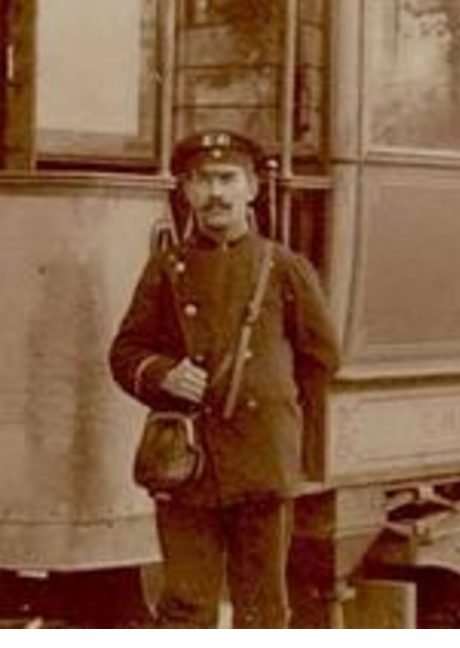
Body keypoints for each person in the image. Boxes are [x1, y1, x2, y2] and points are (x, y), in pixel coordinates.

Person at [108, 130, 340, 628]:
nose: (215, 193)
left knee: (262, 607)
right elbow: (124, 352)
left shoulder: (283, 268)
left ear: (252, 188)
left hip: (261, 461)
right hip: (187, 464)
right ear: (187, 191)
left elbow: (321, 358)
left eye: (227, 179)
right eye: (202, 181)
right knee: (185, 606)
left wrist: (286, 424)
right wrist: (163, 375)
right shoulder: (166, 267)